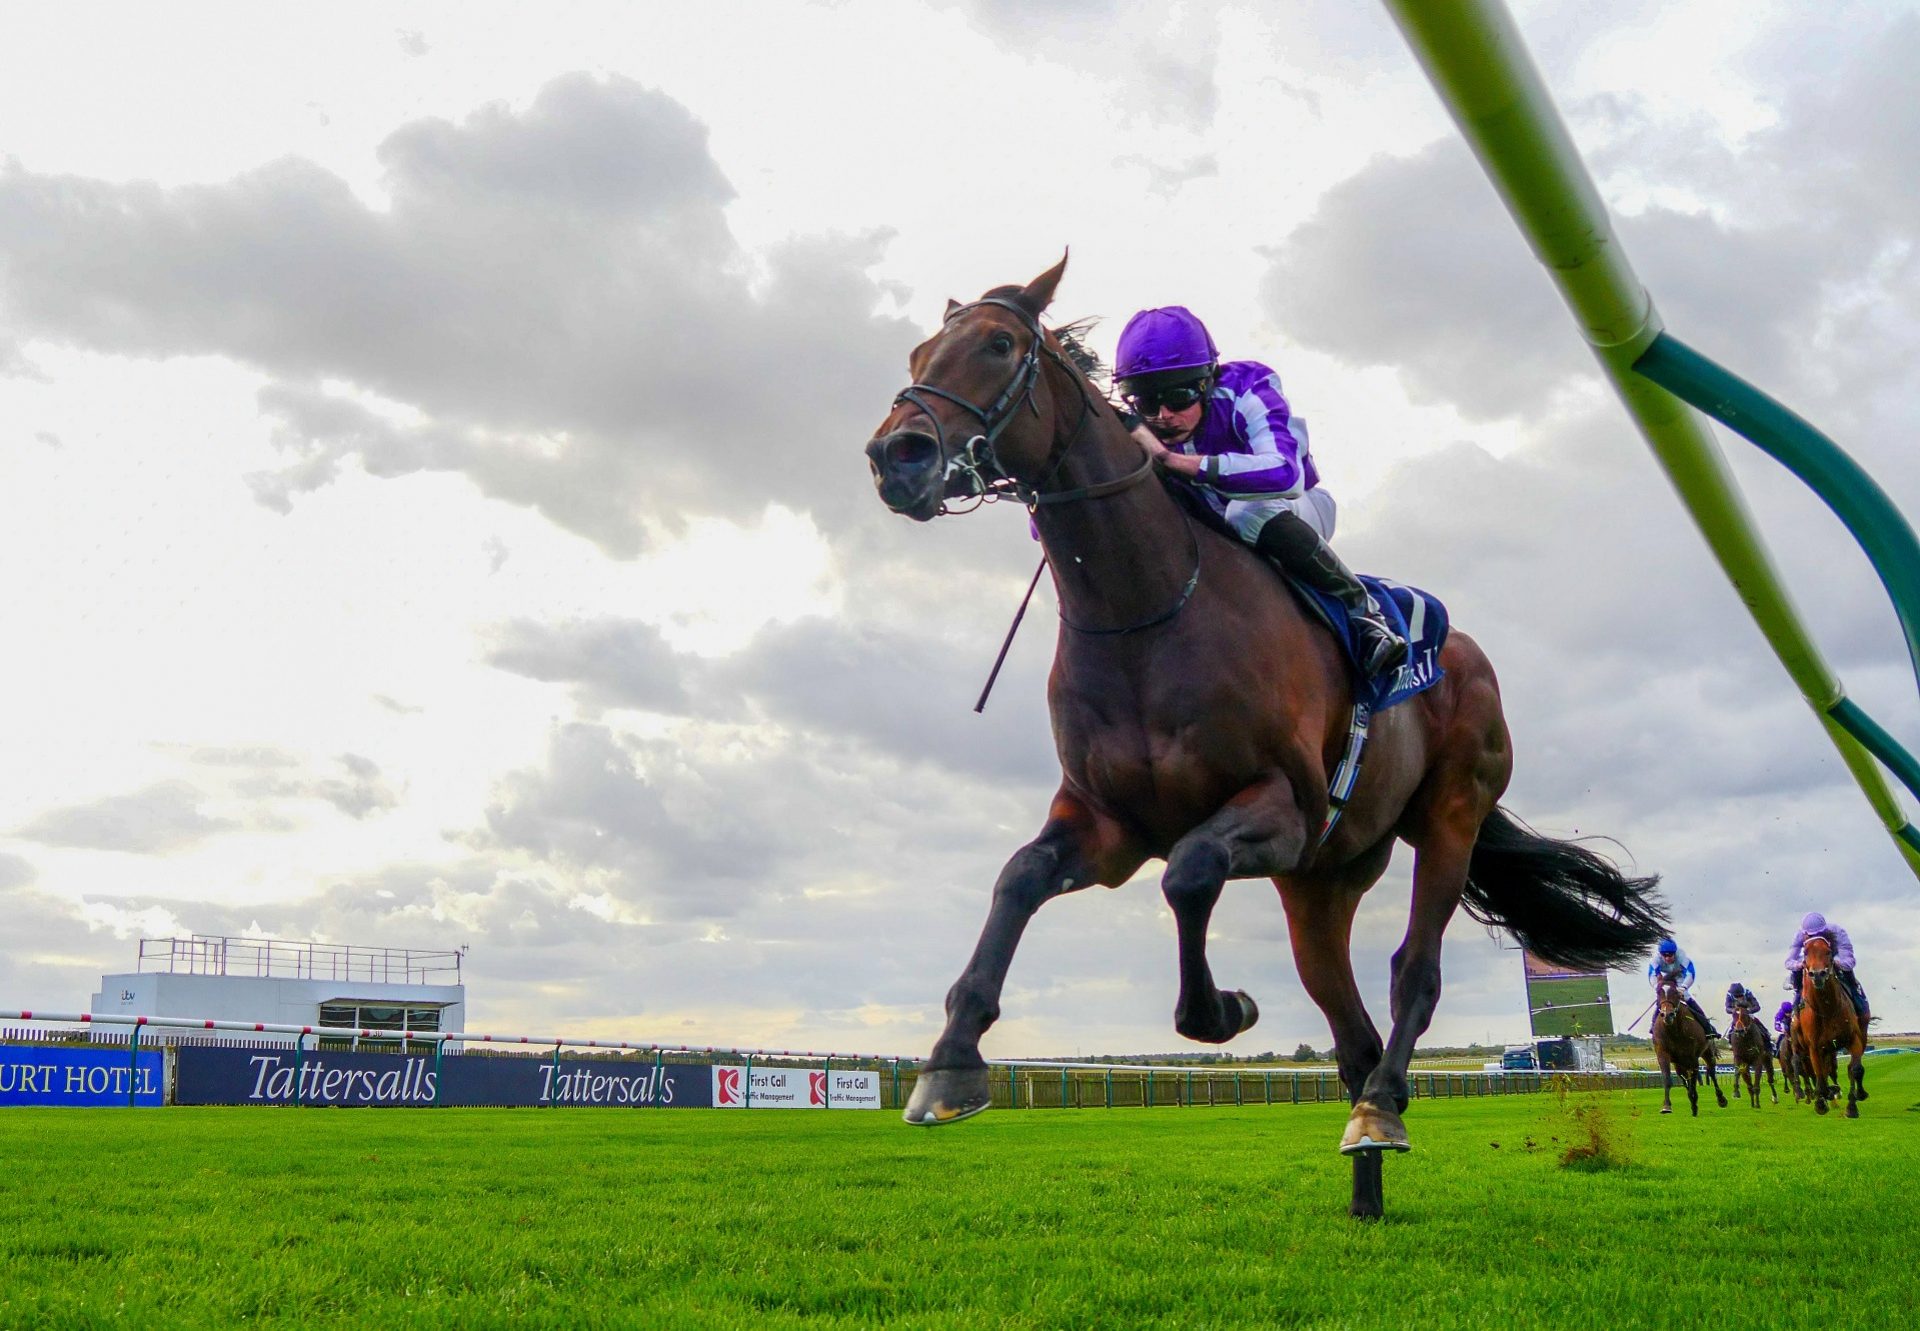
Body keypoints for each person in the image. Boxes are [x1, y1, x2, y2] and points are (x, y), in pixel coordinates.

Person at [1113, 306, 1407, 677]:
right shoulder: (1136, 426)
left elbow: (1285, 473)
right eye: (1146, 401)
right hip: (1208, 529)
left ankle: (1364, 614)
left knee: (1245, 512)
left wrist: (1172, 461)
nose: (1164, 415)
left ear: (1207, 382)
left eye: (1180, 396)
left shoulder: (1249, 388)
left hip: (1293, 507)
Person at [1784, 911, 1870, 1022]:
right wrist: (1800, 964)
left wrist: (1834, 962)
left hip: (1834, 960)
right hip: (1810, 964)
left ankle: (1862, 1012)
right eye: (1810, 935)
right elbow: (1789, 961)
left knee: (1850, 979)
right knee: (1797, 978)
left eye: (1819, 934)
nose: (1814, 937)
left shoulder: (1838, 932)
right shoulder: (1799, 935)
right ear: (1805, 933)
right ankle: (1795, 1015)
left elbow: (1849, 961)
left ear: (1824, 930)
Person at [1647, 938, 1717, 1037]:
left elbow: (1690, 974)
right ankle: (1653, 1026)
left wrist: (1683, 988)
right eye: (1664, 955)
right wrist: (1657, 988)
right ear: (1660, 954)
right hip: (1664, 978)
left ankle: (1708, 1027)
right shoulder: (1655, 959)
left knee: (1686, 997)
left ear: (1675, 953)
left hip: (1680, 977)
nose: (1667, 958)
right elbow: (1652, 976)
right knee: (1663, 1000)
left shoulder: (1682, 957)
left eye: (1670, 955)